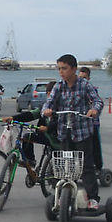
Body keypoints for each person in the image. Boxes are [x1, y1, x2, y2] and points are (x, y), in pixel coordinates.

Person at [43, 54, 104, 210]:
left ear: (74, 69)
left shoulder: (84, 85)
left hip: (82, 132)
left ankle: (93, 199)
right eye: (59, 69)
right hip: (65, 132)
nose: (61, 72)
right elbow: (48, 103)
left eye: (64, 68)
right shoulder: (58, 86)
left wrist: (94, 110)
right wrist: (47, 111)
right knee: (67, 166)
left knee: (86, 166)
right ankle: (66, 197)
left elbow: (97, 101)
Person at [2, 81, 57, 177]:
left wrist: (48, 128)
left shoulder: (61, 107)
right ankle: (30, 161)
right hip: (44, 135)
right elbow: (30, 115)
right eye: (49, 94)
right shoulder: (44, 107)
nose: (50, 96)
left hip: (56, 139)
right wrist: (13, 118)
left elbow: (61, 123)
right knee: (27, 136)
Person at [78, 66, 103, 171]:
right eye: (80, 77)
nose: (82, 80)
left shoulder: (91, 89)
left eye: (84, 77)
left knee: (95, 146)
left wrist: (93, 110)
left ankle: (98, 166)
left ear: (88, 78)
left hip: (92, 123)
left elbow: (97, 102)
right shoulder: (77, 89)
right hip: (80, 123)